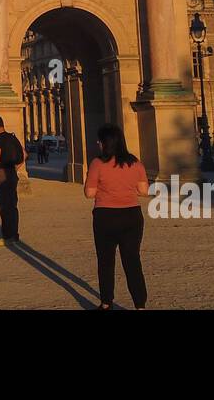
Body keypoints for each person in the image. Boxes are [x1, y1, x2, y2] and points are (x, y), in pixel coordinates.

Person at [84, 124, 150, 310]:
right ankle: (140, 304)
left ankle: (106, 302)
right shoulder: (135, 162)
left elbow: (89, 193)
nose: (97, 142)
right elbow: (144, 191)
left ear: (106, 143)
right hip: (131, 216)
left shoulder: (97, 163)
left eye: (99, 140)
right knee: (132, 261)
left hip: (105, 216)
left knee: (105, 261)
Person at [0, 116, 23, 246]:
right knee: (13, 205)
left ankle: (7, 236)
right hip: (12, 175)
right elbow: (24, 155)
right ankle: (14, 235)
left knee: (3, 206)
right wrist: (14, 168)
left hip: (2, 175)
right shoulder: (13, 137)